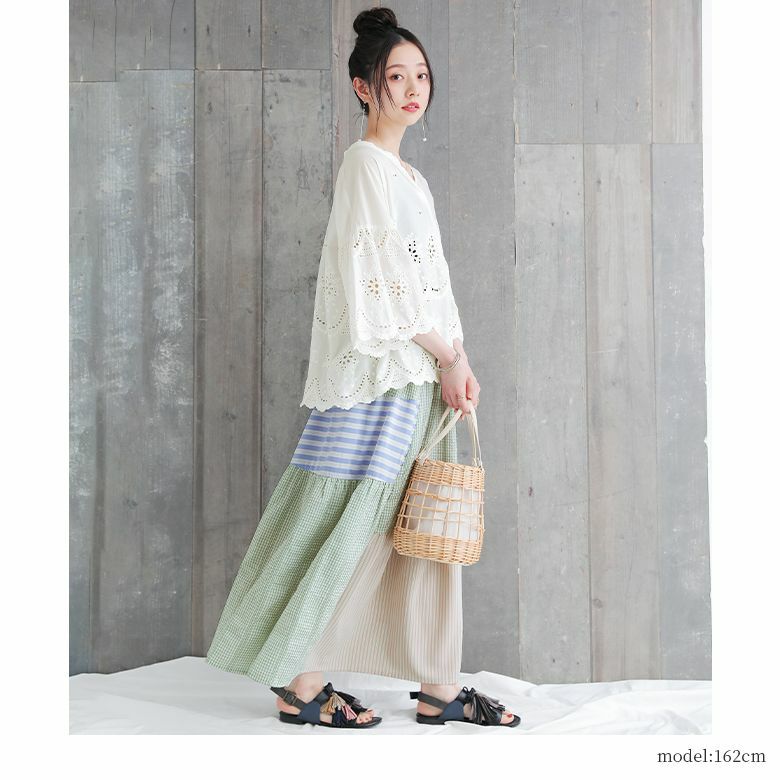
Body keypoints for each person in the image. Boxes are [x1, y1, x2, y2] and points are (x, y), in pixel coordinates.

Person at [205, 5, 520, 729]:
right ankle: (300, 683)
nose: (412, 90)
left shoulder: (410, 176)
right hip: (380, 379)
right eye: (395, 77)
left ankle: (439, 687)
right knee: (348, 523)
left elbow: (431, 283)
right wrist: (446, 355)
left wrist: (459, 360)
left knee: (425, 527)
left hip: (422, 377)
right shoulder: (365, 166)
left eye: (421, 76)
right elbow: (376, 283)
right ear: (362, 87)